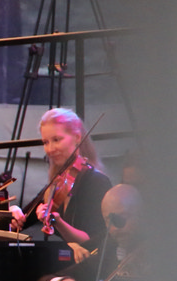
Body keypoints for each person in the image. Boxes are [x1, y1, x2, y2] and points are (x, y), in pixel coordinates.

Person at [9, 107, 111, 257]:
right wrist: (14, 211)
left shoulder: (96, 181)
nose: (50, 149)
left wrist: (57, 222)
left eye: (56, 140)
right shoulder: (59, 181)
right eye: (45, 142)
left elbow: (92, 241)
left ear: (77, 137)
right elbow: (26, 216)